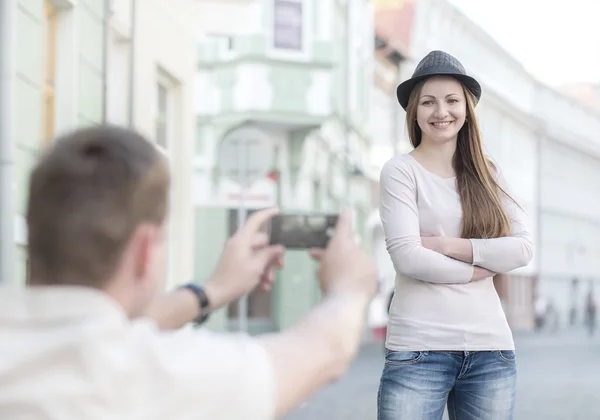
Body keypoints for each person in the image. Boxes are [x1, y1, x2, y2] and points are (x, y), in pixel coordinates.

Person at [0, 125, 377, 419]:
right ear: (146, 250)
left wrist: (210, 291)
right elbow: (326, 349)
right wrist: (351, 285)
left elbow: (88, 321)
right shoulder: (149, 373)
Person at [377, 51, 533, 420]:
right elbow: (409, 257)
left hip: (490, 350)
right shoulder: (400, 172)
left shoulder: (487, 173)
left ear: (467, 109)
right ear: (414, 111)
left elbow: (522, 249)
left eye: (451, 101)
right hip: (419, 349)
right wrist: (477, 268)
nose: (440, 112)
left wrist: (447, 246)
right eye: (428, 102)